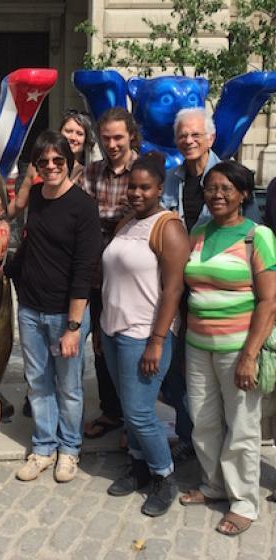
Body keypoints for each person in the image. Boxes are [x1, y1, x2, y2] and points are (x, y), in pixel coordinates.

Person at [180, 161, 276, 535]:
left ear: (243, 195)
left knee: (242, 427)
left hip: (238, 349)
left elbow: (269, 302)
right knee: (203, 422)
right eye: (211, 188)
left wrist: (249, 355)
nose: (217, 195)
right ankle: (214, 484)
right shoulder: (200, 231)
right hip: (197, 345)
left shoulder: (259, 236)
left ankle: (244, 502)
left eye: (226, 189)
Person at [162, 107, 261, 464]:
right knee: (183, 376)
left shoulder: (230, 178)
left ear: (210, 138)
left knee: (226, 385)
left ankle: (227, 455)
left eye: (195, 135)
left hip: (223, 295)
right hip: (181, 290)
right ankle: (193, 439)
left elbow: (250, 238)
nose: (188, 141)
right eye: (183, 135)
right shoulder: (171, 179)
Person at [5, 130, 102, 483]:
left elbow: (83, 268)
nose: (50, 166)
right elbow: (32, 246)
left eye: (57, 160)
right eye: (43, 161)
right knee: (37, 381)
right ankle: (44, 446)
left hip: (66, 313)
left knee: (69, 385)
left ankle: (70, 449)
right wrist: (6, 269)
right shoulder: (37, 199)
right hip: (31, 308)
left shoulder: (83, 206)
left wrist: (74, 327)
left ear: (69, 162)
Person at [100, 152, 190, 517]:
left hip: (144, 335)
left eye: (144, 187)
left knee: (140, 413)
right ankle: (137, 466)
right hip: (113, 328)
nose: (136, 193)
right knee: (128, 409)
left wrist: (157, 339)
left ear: (158, 189)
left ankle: (164, 476)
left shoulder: (167, 226)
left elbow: (173, 289)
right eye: (132, 186)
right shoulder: (126, 222)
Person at [82, 107, 140, 440]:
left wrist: (109, 222)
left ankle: (134, 415)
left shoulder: (145, 169)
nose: (112, 144)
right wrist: (117, 219)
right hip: (96, 273)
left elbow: (141, 217)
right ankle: (112, 411)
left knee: (128, 342)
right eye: (106, 138)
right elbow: (85, 218)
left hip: (131, 276)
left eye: (118, 137)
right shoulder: (91, 172)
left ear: (130, 134)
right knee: (101, 345)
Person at [8, 110, 95, 218]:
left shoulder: (88, 173)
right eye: (68, 131)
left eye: (79, 134)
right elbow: (19, 204)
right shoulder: (36, 166)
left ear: (86, 140)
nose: (73, 137)